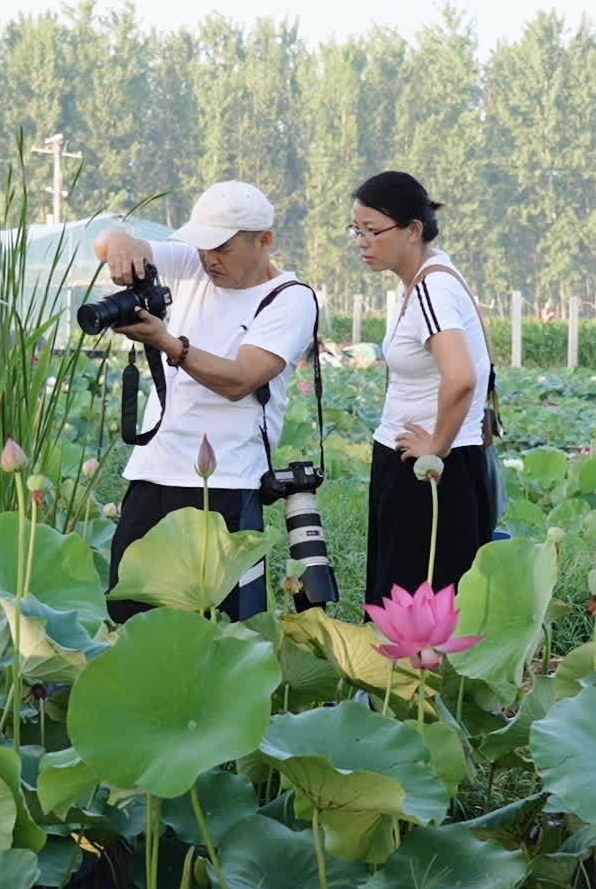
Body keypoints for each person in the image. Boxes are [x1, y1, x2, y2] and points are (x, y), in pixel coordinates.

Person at [95, 181, 319, 623]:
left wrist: (167, 342)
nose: (208, 258)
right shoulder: (199, 263)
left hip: (228, 480)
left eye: (221, 248)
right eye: (201, 246)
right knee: (128, 615)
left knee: (222, 626)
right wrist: (121, 243)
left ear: (265, 241)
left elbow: (240, 379)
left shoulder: (291, 300)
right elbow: (110, 240)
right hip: (154, 468)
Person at [354, 170, 497, 604]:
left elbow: (462, 377)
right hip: (420, 461)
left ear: (413, 230)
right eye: (355, 230)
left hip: (430, 473)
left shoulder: (432, 288)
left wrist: (436, 447)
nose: (361, 242)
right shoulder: (425, 280)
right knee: (411, 601)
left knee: (414, 606)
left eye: (372, 231)